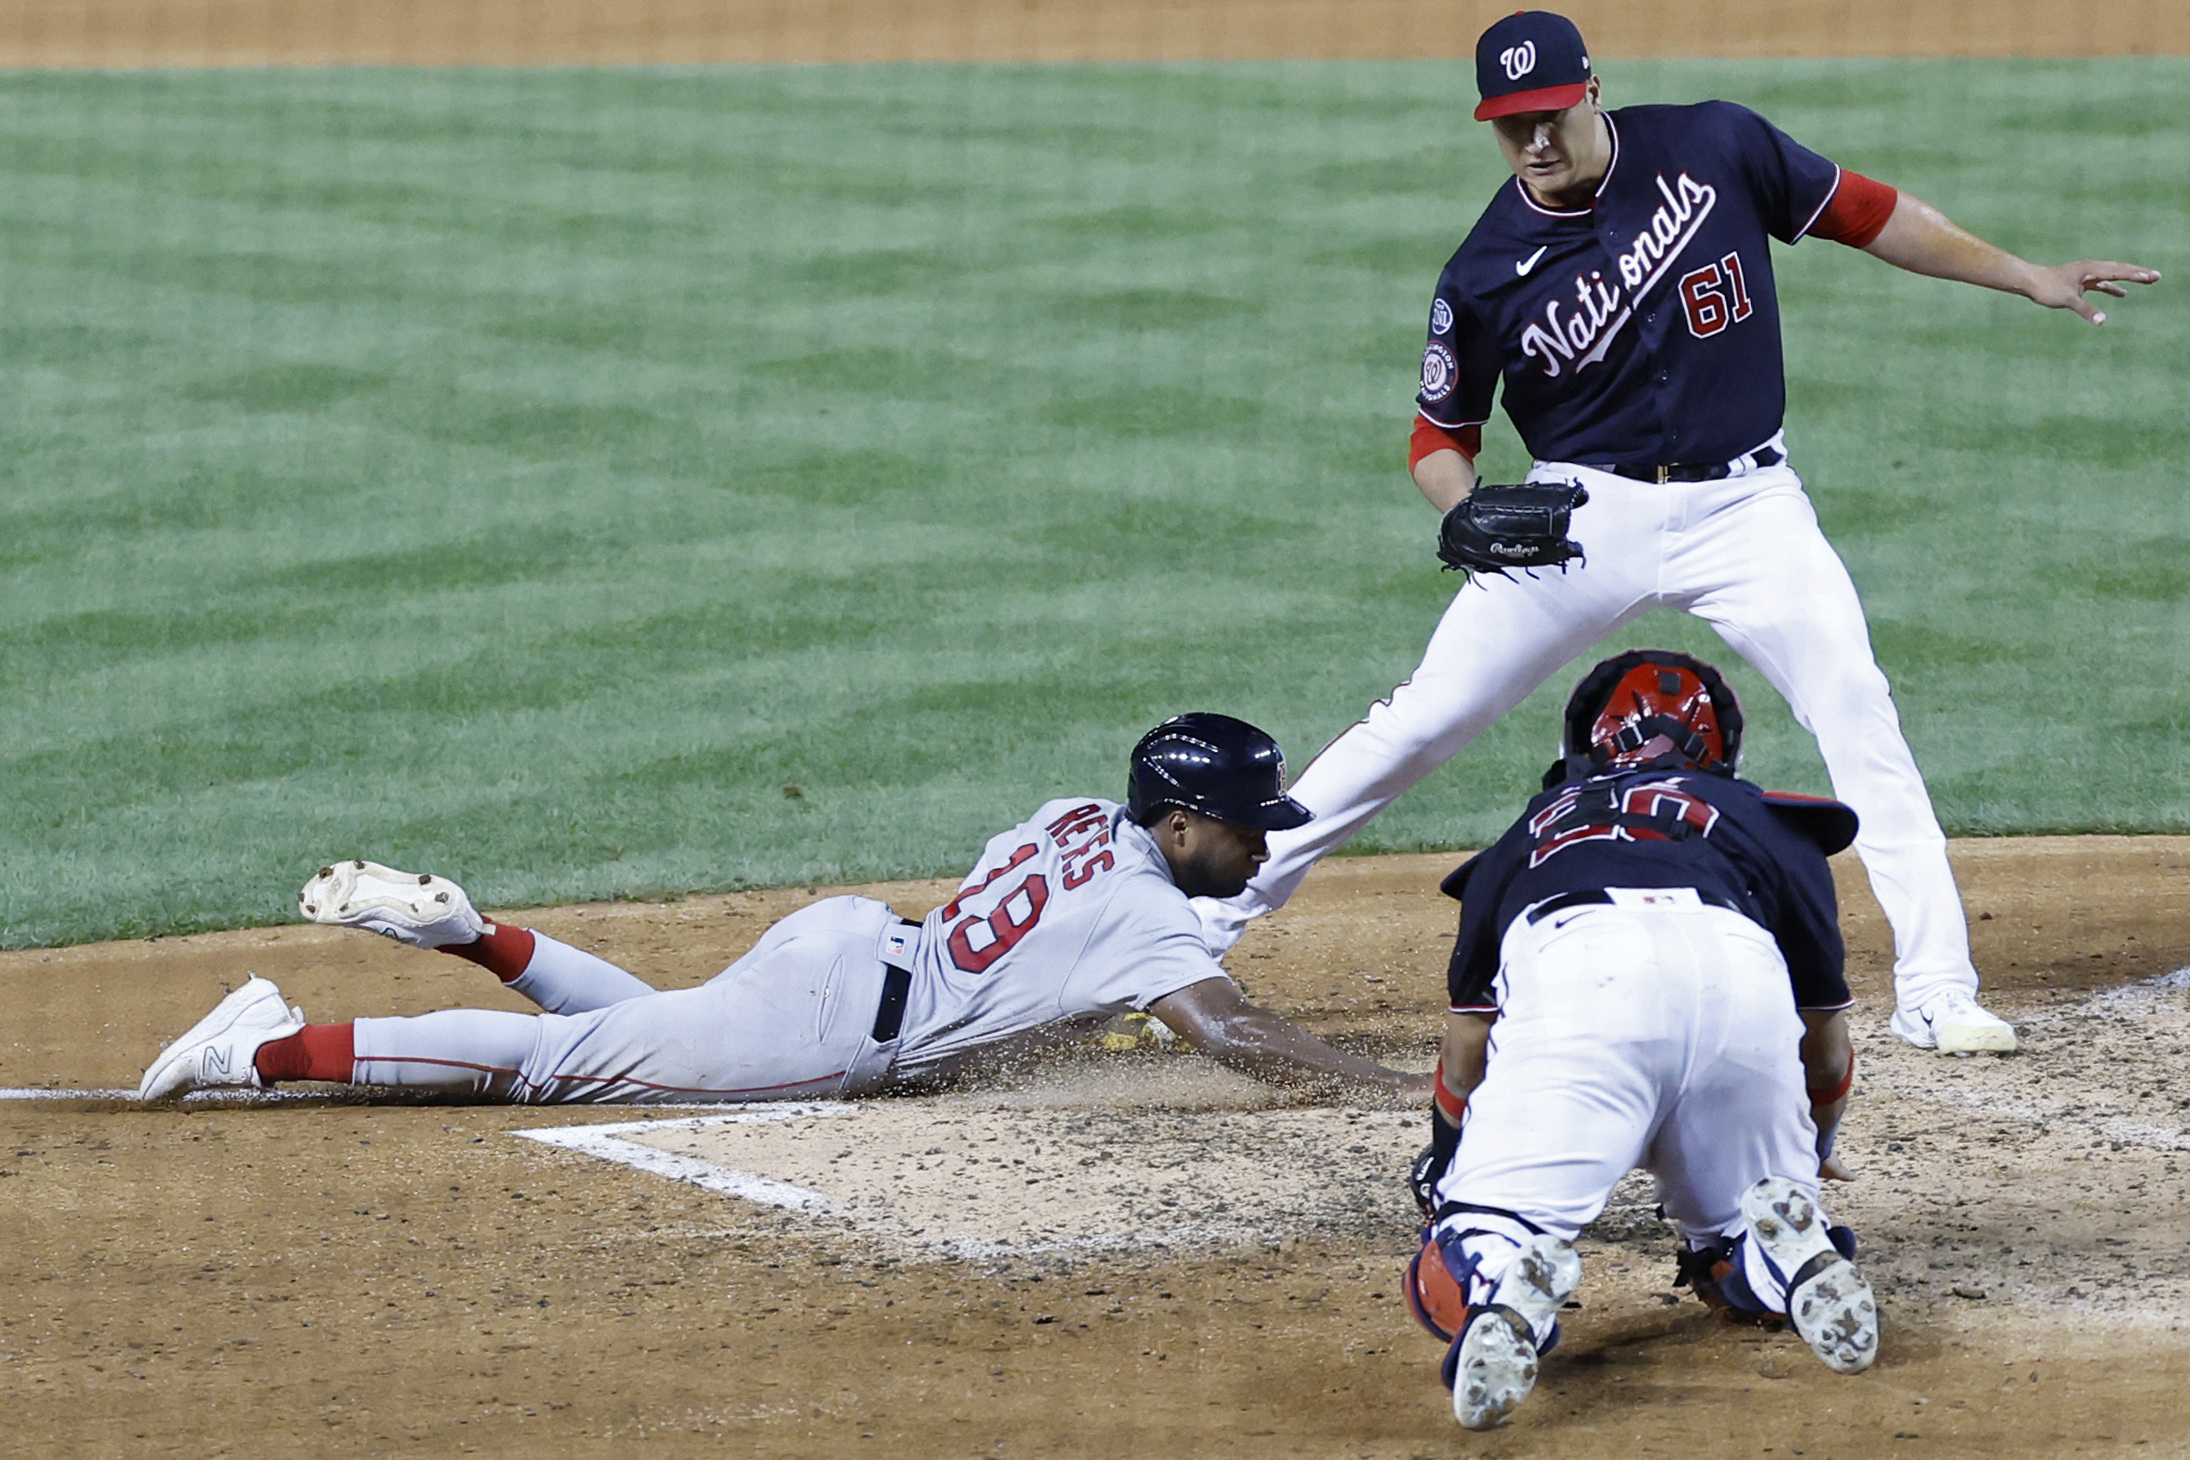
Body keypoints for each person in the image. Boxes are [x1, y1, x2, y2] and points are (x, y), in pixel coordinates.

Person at [1197, 9, 2163, 1055]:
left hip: (1749, 508)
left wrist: (2026, 273)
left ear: (1592, 89)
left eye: (1550, 114)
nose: (1534, 140)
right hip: (1582, 517)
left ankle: (1937, 984)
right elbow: (1439, 433)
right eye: (1509, 123)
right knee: (1422, 720)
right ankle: (1197, 929)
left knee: (1856, 704)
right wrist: (1464, 505)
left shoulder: (1715, 144)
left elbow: (1872, 212)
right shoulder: (1484, 270)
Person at [137, 714, 1432, 1107]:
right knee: (548, 1071)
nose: (1258, 848)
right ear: (1177, 825)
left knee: (668, 1026)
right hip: (834, 1029)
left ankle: (474, 932)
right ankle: (252, 1050)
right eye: (1244, 828)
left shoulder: (1074, 819)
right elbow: (1235, 1034)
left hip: (840, 945)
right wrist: (1382, 1091)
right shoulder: (1153, 917)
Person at [1401, 649, 1877, 1429]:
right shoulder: (1774, 823)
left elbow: (1466, 1052)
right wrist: (1809, 1152)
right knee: (1729, 1234)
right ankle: (1780, 1254)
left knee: (1462, 1244)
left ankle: (1496, 1269)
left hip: (1585, 972)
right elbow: (1825, 1047)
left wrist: (1448, 1174)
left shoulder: (1526, 836)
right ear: (1722, 754)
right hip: (1739, 979)